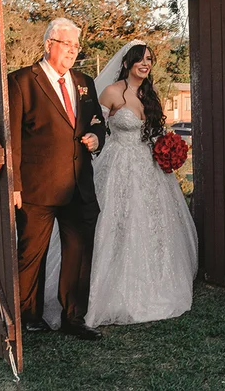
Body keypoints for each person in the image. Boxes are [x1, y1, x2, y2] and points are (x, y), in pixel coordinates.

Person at [83, 41, 198, 327]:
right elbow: (94, 126)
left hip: (150, 166)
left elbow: (157, 130)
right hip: (119, 162)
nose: (145, 64)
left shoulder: (150, 93)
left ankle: (155, 280)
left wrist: (168, 146)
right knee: (118, 220)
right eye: (140, 59)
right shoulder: (111, 92)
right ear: (127, 63)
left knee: (153, 223)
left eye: (149, 59)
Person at [8, 18, 106, 339]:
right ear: (50, 43)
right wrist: (14, 186)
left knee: (78, 255)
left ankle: (73, 319)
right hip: (37, 187)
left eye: (77, 47)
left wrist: (95, 138)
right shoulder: (22, 82)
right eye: (68, 45)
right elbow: (12, 141)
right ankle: (28, 317)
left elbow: (96, 122)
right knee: (31, 254)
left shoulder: (84, 82)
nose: (74, 52)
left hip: (78, 185)